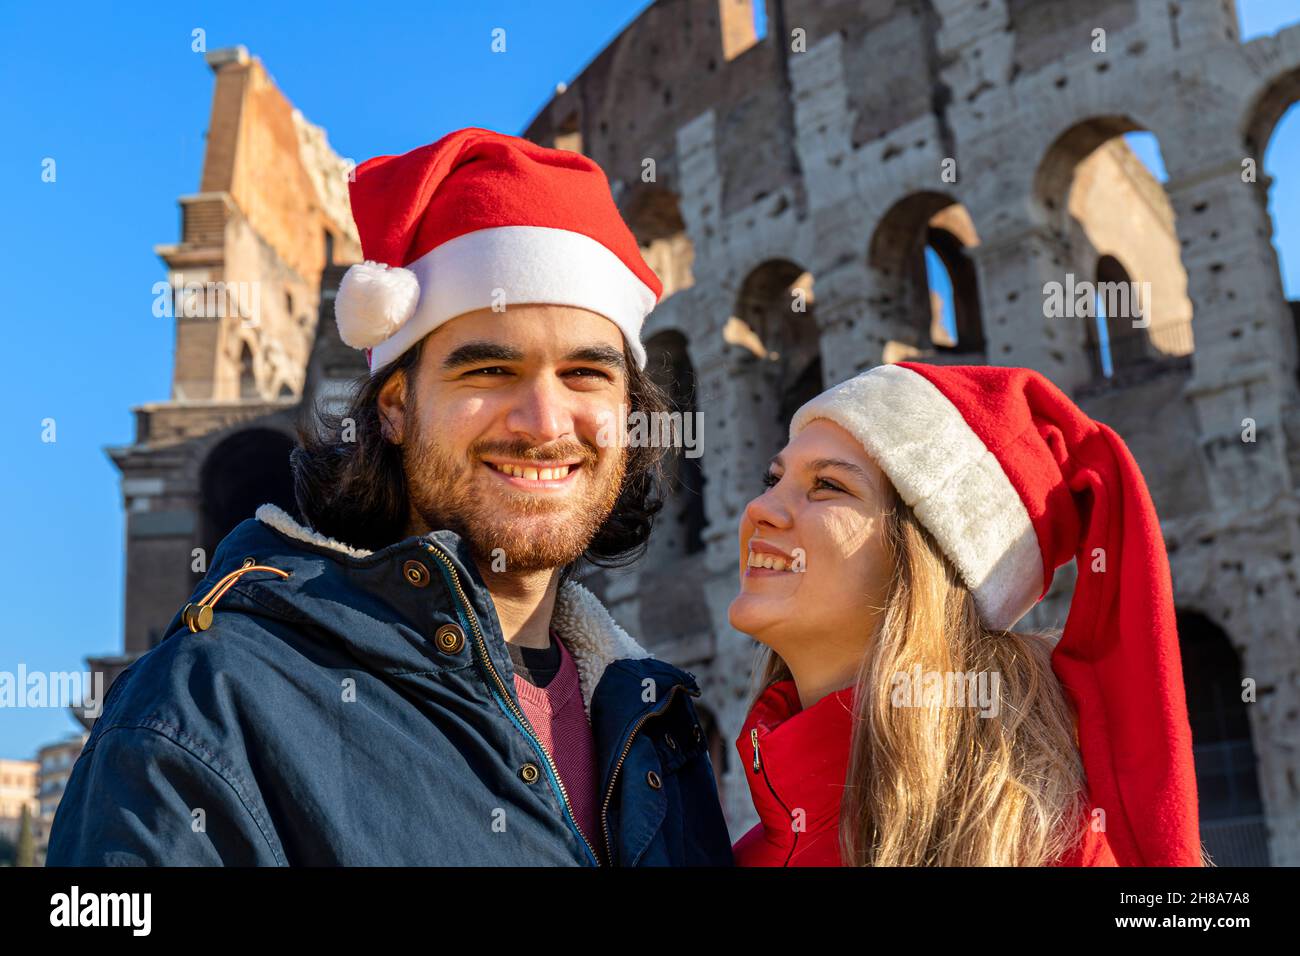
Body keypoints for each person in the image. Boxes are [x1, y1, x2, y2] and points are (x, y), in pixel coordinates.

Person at [47, 128, 733, 866]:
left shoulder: (658, 724)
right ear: (396, 406)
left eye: (585, 374)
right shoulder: (209, 705)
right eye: (490, 372)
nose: (543, 422)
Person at [727, 361, 1203, 866]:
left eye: (827, 485)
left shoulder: (1048, 845)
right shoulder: (737, 853)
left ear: (929, 562)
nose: (761, 508)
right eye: (772, 479)